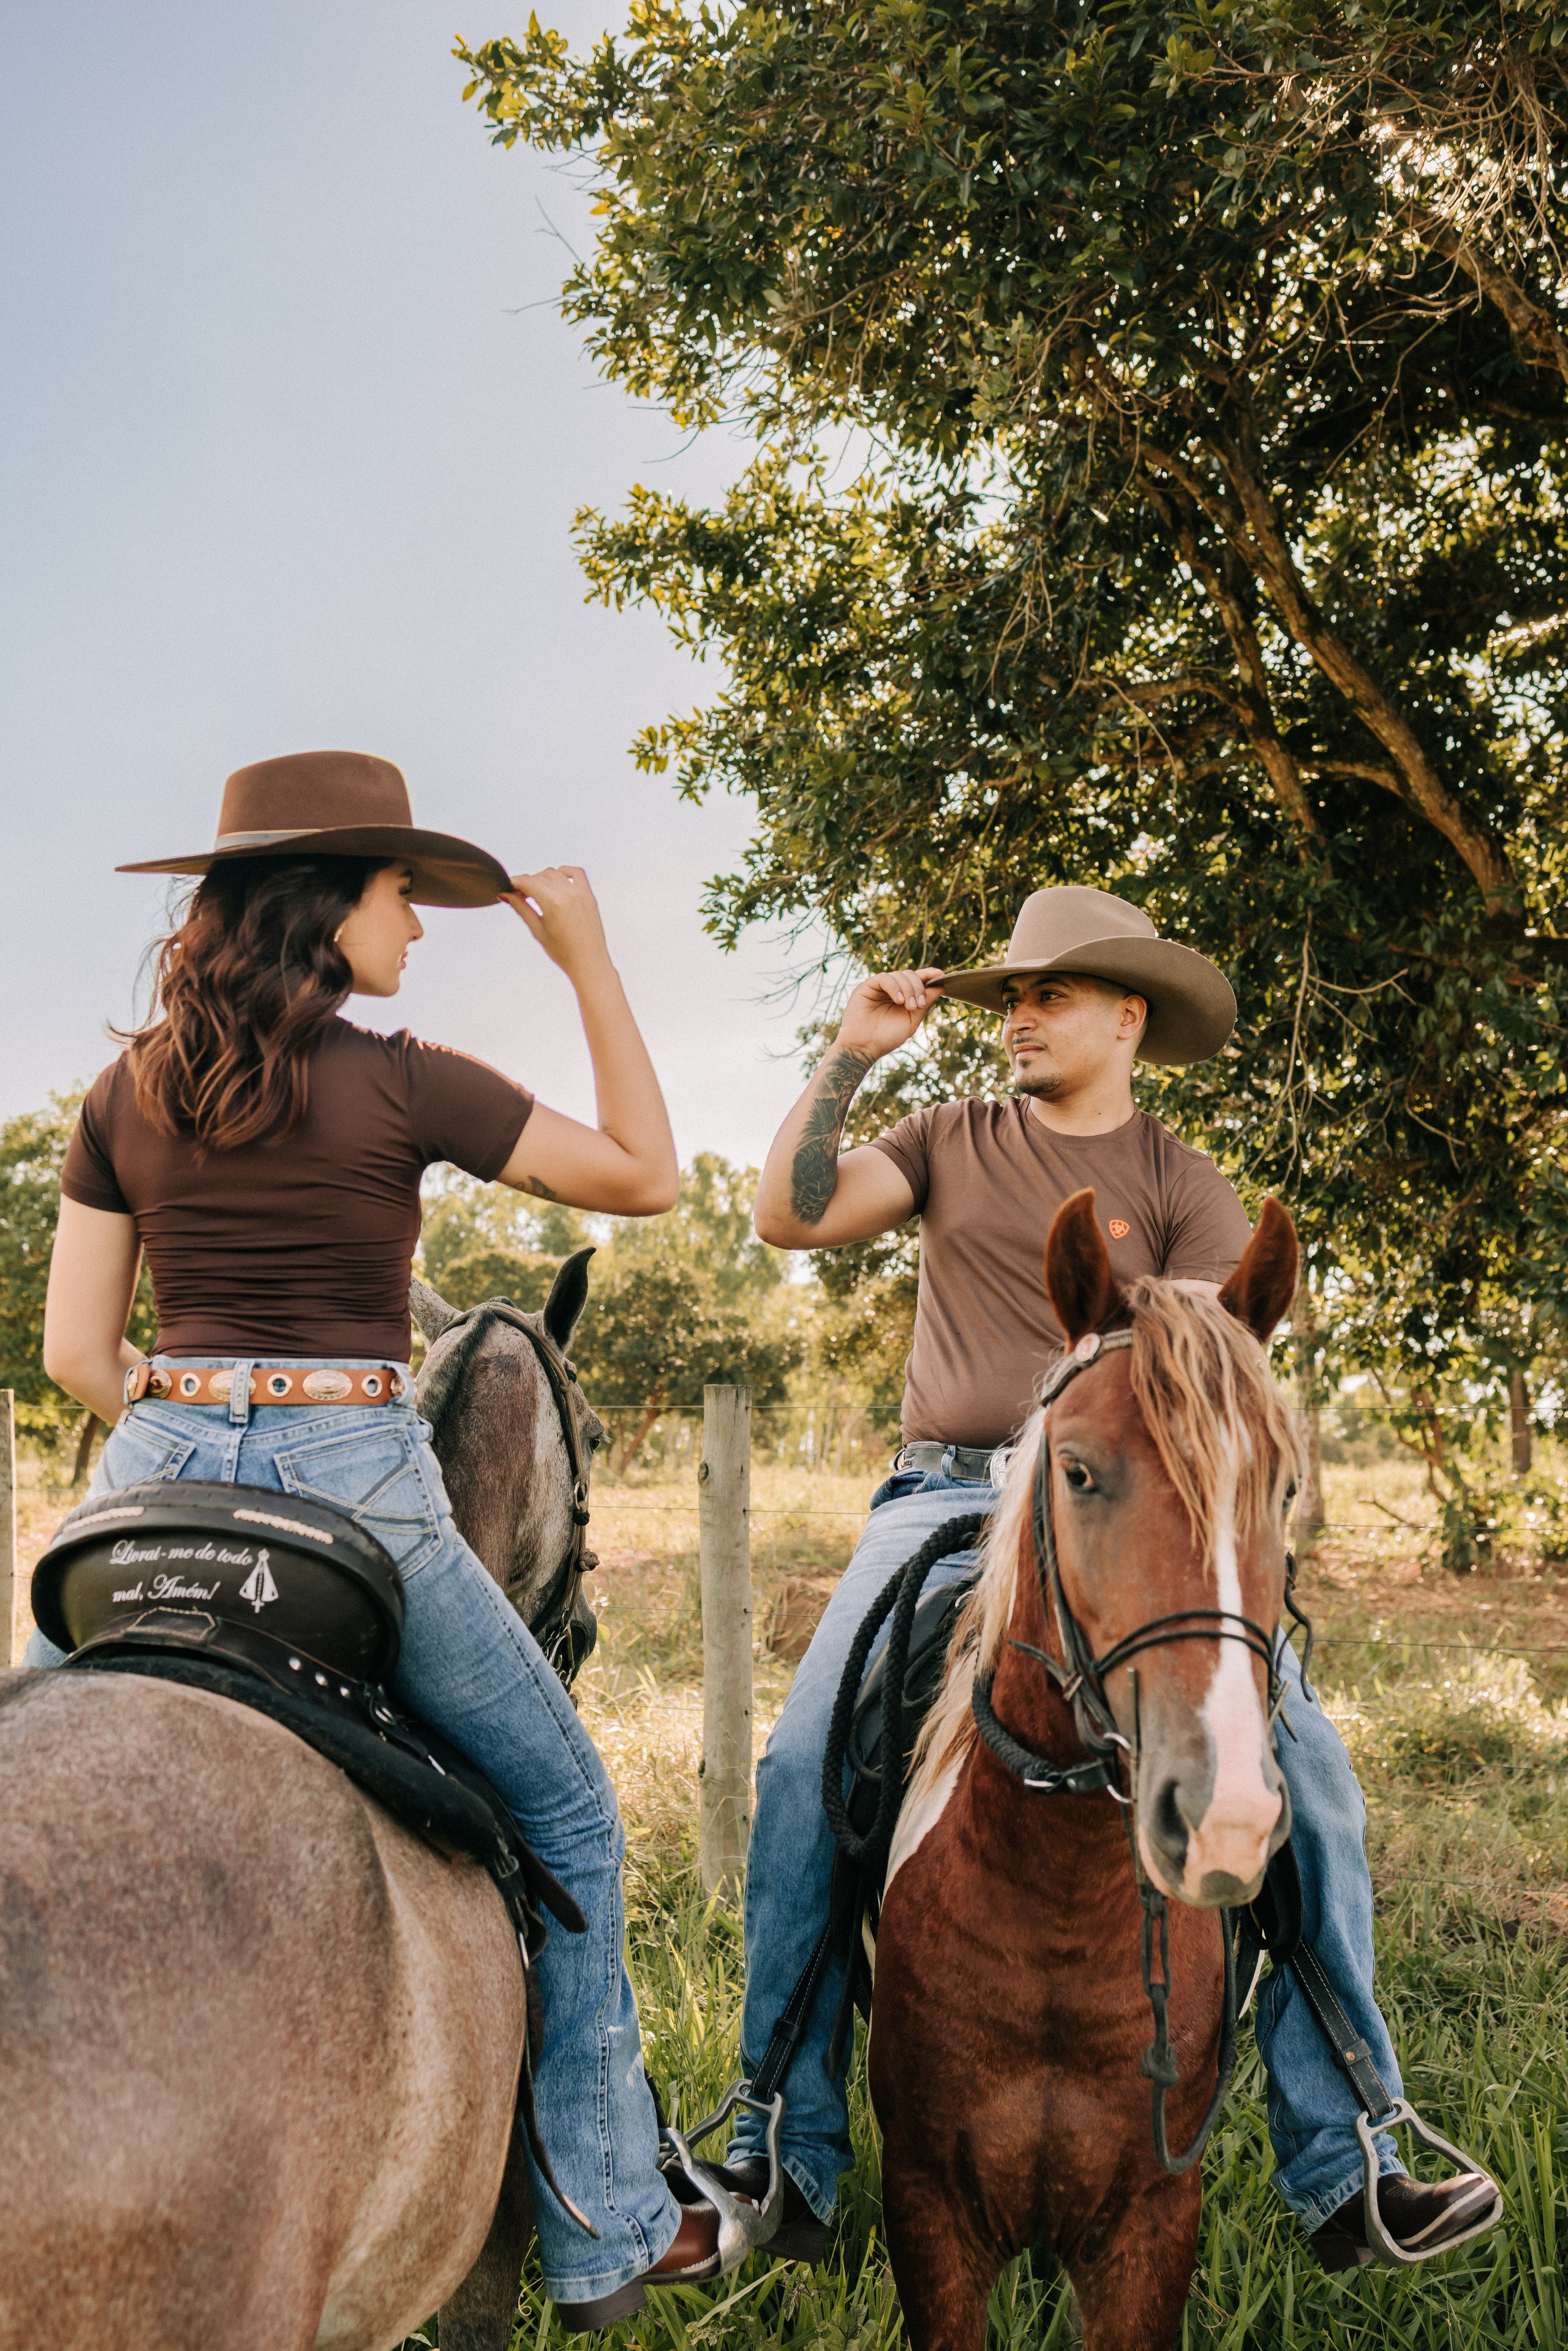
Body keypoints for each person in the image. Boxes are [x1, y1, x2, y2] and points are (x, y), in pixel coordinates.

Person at [32, 749, 730, 2331]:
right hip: (352, 1473)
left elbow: (82, 1354)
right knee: (570, 1814)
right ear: (330, 903)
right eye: (401, 889)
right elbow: (647, 1172)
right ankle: (611, 2217)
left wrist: (192, 1401)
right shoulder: (405, 1078)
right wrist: (591, 963)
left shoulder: (117, 1092)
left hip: (146, 1468)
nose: (418, 920)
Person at [722, 885, 1498, 2273]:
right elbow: (793, 1217)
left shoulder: (1181, 1183)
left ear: (1125, 1016)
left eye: (1047, 992)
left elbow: (1203, 1386)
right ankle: (776, 2127)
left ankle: (1355, 2147)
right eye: (1006, 995)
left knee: (1308, 1773)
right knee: (797, 1762)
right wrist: (851, 1056)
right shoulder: (947, 1136)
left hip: (1128, 1505)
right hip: (946, 1494)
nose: (1013, 1014)